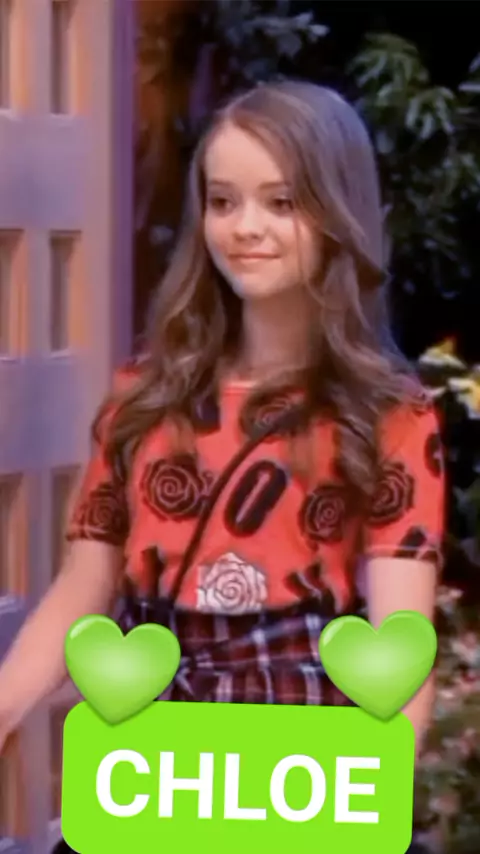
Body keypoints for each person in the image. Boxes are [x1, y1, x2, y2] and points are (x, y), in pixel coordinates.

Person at [0, 81, 444, 759]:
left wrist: (375, 790)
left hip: (304, 749)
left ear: (337, 210)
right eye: (222, 201)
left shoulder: (391, 413)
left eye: (281, 202)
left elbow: (401, 643)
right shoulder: (145, 395)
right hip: (152, 737)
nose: (245, 228)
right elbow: (82, 587)